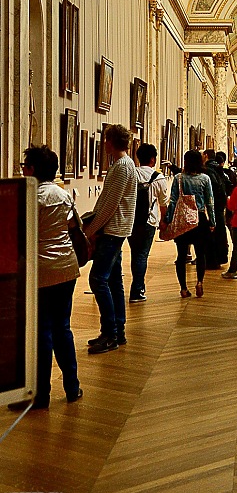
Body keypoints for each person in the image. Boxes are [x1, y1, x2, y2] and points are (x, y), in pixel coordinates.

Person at [15, 145, 81, 407]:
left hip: (40, 270)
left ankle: (40, 394)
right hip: (66, 266)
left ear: (31, 169)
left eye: (24, 167)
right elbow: (73, 227)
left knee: (41, 332)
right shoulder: (62, 195)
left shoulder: (30, 196)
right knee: (62, 328)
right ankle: (72, 387)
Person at [85, 124, 136, 354]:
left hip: (113, 230)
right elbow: (107, 201)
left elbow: (110, 205)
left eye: (106, 140)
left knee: (98, 279)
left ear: (111, 141)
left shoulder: (122, 166)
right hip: (116, 229)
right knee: (113, 280)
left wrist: (91, 230)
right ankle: (118, 330)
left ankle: (110, 333)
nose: (104, 144)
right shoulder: (122, 165)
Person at [162, 150, 215, 298]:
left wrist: (167, 220)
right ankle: (199, 281)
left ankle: (184, 288)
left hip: (183, 220)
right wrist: (213, 221)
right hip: (199, 219)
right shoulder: (205, 179)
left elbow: (172, 201)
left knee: (181, 255)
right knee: (200, 253)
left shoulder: (179, 178)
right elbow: (210, 202)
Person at [127, 143, 168, 302]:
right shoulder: (159, 178)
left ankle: (139, 286)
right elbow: (163, 204)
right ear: (153, 159)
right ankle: (137, 290)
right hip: (149, 221)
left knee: (135, 254)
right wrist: (163, 222)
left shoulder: (132, 174)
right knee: (142, 255)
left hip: (131, 220)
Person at [202, 148, 229, 268]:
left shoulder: (207, 170)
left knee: (211, 233)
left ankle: (212, 260)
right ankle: (220, 257)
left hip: (212, 205)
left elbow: (211, 189)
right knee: (219, 232)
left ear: (206, 156)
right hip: (219, 205)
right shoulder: (219, 169)